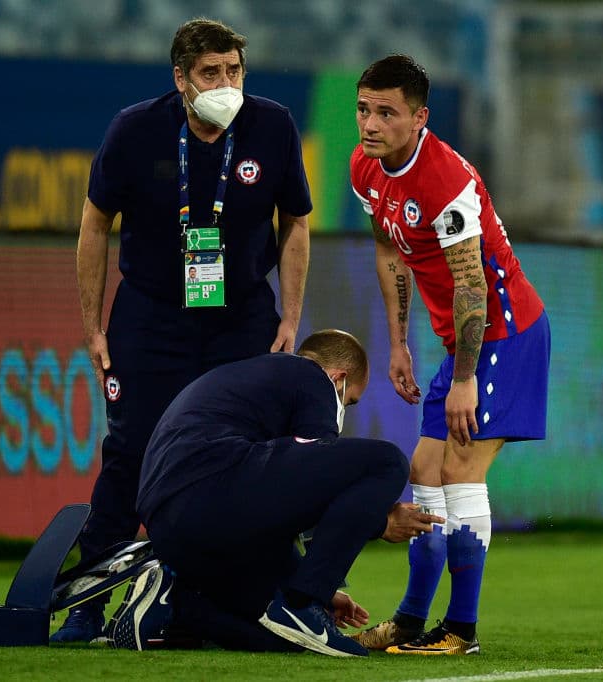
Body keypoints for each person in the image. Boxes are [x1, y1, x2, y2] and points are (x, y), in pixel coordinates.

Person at [55, 18, 313, 643]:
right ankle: (90, 603)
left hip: (241, 317)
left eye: (234, 71)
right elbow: (94, 224)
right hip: (151, 316)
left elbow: (296, 223)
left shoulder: (273, 125)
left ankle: (271, 600)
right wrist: (92, 326)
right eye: (210, 73)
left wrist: (289, 316)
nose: (226, 84)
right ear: (181, 79)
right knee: (131, 453)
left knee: (252, 456)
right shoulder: (134, 129)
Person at [348, 55, 551, 655]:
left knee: (460, 471)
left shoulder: (443, 180)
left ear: (419, 118)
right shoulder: (366, 167)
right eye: (363, 109)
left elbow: (472, 286)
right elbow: (390, 250)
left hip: (504, 334)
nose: (371, 124)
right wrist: (398, 343)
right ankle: (411, 622)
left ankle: (461, 630)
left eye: (387, 113)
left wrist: (464, 379)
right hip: (463, 343)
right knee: (424, 472)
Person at [106, 329, 442, 656]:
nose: (344, 408)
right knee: (388, 462)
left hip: (176, 523)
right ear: (338, 377)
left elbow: (281, 506)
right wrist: (380, 524)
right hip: (208, 486)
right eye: (349, 401)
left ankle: (175, 606)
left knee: (287, 637)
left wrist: (304, 585)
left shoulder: (257, 386)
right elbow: (322, 488)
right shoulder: (311, 377)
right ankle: (304, 603)